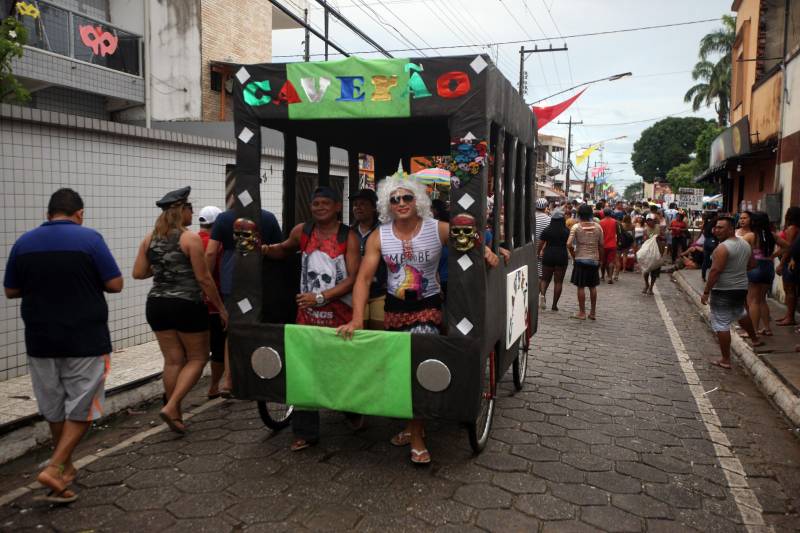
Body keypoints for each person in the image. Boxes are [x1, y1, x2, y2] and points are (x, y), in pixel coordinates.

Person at [337, 174, 499, 464]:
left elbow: (467, 236)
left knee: (420, 362)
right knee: (400, 370)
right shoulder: (380, 235)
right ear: (387, 205)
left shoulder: (437, 229)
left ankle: (417, 436)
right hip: (395, 310)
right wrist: (357, 319)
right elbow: (362, 278)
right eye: (394, 199)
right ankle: (412, 426)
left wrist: (487, 249)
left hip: (429, 307)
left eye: (407, 197)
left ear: (418, 200)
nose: (401, 203)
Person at [4, 188, 122, 504]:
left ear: (49, 214)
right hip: (85, 339)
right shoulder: (90, 240)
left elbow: (11, 290)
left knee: (54, 407)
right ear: (79, 214)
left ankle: (64, 469)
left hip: (40, 339)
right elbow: (115, 284)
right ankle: (56, 467)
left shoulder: (24, 243)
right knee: (83, 406)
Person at [263, 186, 361, 451]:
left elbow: (353, 278)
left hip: (340, 315)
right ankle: (305, 431)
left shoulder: (348, 236)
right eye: (315, 203)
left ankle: (351, 408)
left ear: (337, 206)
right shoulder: (302, 231)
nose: (319, 207)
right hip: (306, 316)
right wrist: (260, 249)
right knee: (304, 370)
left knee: (342, 367)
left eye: (325, 203)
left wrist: (321, 297)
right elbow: (283, 249)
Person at [133, 187, 227, 434]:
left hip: (156, 305)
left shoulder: (149, 239)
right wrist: (221, 309)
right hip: (186, 304)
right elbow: (204, 279)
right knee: (197, 357)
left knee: (173, 360)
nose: (192, 214)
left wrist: (164, 265)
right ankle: (172, 405)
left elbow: (139, 273)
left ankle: (175, 412)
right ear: (182, 211)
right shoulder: (189, 238)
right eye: (190, 209)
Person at [205, 204, 282, 396]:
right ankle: (261, 374)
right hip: (261, 281)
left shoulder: (223, 219)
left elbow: (211, 252)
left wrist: (207, 284)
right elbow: (279, 250)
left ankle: (229, 381)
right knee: (261, 326)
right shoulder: (268, 218)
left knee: (233, 329)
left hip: (232, 283)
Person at [701, 216, 762, 369]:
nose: (717, 230)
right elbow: (753, 264)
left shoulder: (722, 248)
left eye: (721, 227)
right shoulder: (744, 244)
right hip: (740, 288)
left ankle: (725, 359)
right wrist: (737, 271)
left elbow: (715, 271)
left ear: (730, 229)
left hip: (723, 290)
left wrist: (706, 291)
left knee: (721, 323)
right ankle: (754, 339)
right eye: (716, 227)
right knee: (740, 312)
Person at [197, 205, 225, 399]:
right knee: (218, 346)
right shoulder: (216, 245)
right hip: (214, 304)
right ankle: (214, 386)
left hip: (192, 303)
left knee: (195, 350)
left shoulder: (189, 240)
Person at [350, 188, 387, 329]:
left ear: (373, 207)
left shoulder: (384, 231)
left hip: (381, 291)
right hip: (355, 291)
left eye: (363, 204)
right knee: (359, 331)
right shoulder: (349, 232)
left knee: (379, 332)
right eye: (355, 204)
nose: (358, 207)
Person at [567, 204, 604, 320]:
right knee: (593, 286)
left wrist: (573, 255)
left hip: (580, 259)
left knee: (581, 286)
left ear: (579, 214)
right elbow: (601, 245)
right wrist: (600, 259)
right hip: (594, 259)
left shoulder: (576, 227)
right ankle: (592, 313)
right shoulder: (598, 227)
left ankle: (582, 312)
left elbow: (568, 244)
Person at [742, 211, 776, 337]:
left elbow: (738, 247)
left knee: (753, 301)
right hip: (768, 267)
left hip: (755, 267)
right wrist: (773, 255)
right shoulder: (772, 235)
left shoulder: (750, 236)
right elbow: (787, 246)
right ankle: (767, 328)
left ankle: (753, 331)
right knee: (762, 299)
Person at [538, 209, 569, 311]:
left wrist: (538, 253)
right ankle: (554, 305)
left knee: (545, 279)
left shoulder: (547, 230)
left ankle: (542, 295)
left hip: (548, 255)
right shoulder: (566, 231)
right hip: (561, 256)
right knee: (558, 282)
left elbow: (541, 243)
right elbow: (570, 244)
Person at [776, 207, 800, 326]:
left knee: (789, 290)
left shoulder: (792, 228)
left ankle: (790, 317)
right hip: (789, 262)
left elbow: (789, 248)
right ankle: (788, 315)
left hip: (788, 263)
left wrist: (781, 264)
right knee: (789, 290)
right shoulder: (794, 228)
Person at [642, 213, 665, 295]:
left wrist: (659, 237)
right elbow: (644, 240)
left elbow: (663, 238)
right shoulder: (645, 229)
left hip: (657, 252)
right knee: (646, 271)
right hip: (648, 253)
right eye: (648, 221)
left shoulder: (659, 228)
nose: (649, 222)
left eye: (650, 220)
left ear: (654, 221)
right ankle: (646, 284)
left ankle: (651, 287)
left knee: (654, 272)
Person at [534, 198, 551, 292]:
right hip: (543, 248)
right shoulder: (549, 219)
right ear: (545, 207)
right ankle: (540, 294)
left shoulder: (531, 217)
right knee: (540, 273)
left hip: (531, 247)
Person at [599, 208, 619, 283]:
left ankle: (602, 276)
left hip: (603, 244)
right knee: (611, 262)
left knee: (602, 261)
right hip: (612, 244)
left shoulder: (600, 222)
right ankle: (610, 277)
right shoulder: (615, 222)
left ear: (604, 214)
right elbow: (618, 232)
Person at [615, 214, 635, 280]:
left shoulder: (621, 224)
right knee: (625, 255)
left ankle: (617, 268)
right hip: (628, 242)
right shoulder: (632, 226)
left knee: (618, 256)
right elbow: (633, 235)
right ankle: (624, 269)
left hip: (621, 241)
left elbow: (618, 233)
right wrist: (633, 243)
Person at [701, 211, 719, 282]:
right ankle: (713, 278)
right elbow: (715, 232)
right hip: (712, 241)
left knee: (705, 260)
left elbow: (704, 232)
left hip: (706, 242)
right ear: (715, 216)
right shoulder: (714, 222)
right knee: (716, 260)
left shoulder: (706, 222)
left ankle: (703, 276)